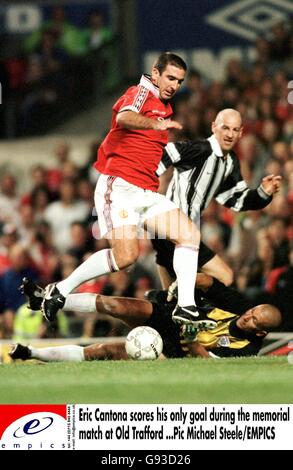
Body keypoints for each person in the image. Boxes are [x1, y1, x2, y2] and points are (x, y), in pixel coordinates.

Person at [41, 52, 210, 327]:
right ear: (155, 73)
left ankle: (186, 306)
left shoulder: (165, 107)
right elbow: (124, 117)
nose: (174, 85)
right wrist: (154, 123)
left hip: (145, 191)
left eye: (179, 81)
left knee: (189, 235)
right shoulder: (141, 92)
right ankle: (60, 290)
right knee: (126, 257)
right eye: (170, 77)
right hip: (119, 187)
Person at [153, 108, 282, 289]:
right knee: (226, 277)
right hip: (174, 227)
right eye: (225, 128)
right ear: (214, 127)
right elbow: (167, 152)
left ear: (241, 133)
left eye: (235, 130)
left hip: (175, 233)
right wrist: (145, 185)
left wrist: (263, 192)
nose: (230, 134)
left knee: (170, 306)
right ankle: (182, 287)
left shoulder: (230, 163)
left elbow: (238, 200)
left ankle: (174, 295)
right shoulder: (200, 149)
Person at [10, 275, 281, 361]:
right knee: (115, 304)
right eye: (253, 312)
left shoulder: (248, 349)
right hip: (171, 319)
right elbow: (208, 282)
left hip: (178, 350)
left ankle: (29, 351)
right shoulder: (238, 305)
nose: (249, 317)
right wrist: (181, 284)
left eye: (257, 321)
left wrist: (189, 337)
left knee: (104, 350)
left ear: (261, 333)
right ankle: (48, 297)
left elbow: (204, 359)